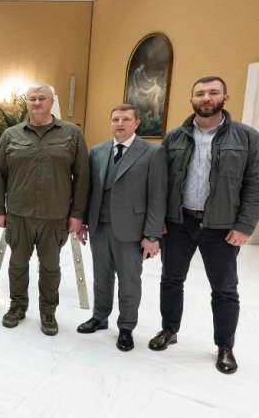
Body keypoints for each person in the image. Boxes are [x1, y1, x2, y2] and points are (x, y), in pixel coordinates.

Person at [149, 76, 259, 374]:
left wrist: (246, 225)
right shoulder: (174, 138)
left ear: (225, 96)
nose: (206, 97)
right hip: (179, 222)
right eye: (200, 93)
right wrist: (159, 220)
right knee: (171, 280)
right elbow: (160, 184)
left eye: (213, 92)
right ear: (192, 98)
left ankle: (225, 346)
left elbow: (254, 185)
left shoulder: (247, 137)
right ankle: (169, 330)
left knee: (224, 289)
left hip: (221, 226)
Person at [0, 83, 89, 335]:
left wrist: (77, 214)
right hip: (18, 214)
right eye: (32, 99)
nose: (36, 103)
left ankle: (48, 312)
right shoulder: (11, 135)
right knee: (17, 265)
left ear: (51, 101)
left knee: (50, 267)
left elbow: (82, 177)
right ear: (27, 103)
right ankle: (17, 307)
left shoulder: (72, 134)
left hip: (54, 215)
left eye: (41, 98)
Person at [77, 104, 167, 351]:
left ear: (136, 123)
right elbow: (89, 190)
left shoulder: (152, 153)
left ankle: (126, 327)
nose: (120, 123)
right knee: (101, 277)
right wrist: (84, 221)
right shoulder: (97, 151)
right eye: (115, 119)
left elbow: (158, 197)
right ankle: (100, 316)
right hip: (99, 226)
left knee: (129, 281)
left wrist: (152, 235)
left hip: (132, 230)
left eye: (125, 119)